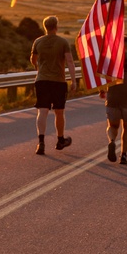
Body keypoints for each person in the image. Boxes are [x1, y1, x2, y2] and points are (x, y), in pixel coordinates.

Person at [30, 15, 78, 154]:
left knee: (42, 110)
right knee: (59, 112)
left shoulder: (38, 41)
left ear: (45, 27)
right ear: (56, 27)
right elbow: (69, 62)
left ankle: (41, 142)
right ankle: (60, 139)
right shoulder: (63, 42)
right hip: (58, 81)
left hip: (42, 80)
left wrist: (37, 68)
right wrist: (73, 80)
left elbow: (33, 59)